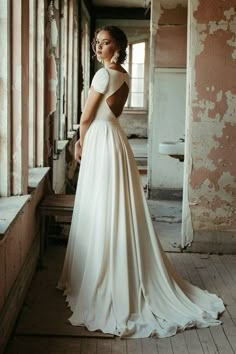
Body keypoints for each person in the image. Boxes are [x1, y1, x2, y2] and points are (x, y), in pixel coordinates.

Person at [57, 26, 225, 338]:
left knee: (100, 207)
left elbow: (85, 117)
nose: (98, 48)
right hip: (117, 142)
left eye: (105, 43)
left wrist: (80, 142)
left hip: (100, 141)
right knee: (114, 206)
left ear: (117, 45)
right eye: (97, 43)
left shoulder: (103, 76)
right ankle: (115, 268)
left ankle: (102, 276)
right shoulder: (123, 73)